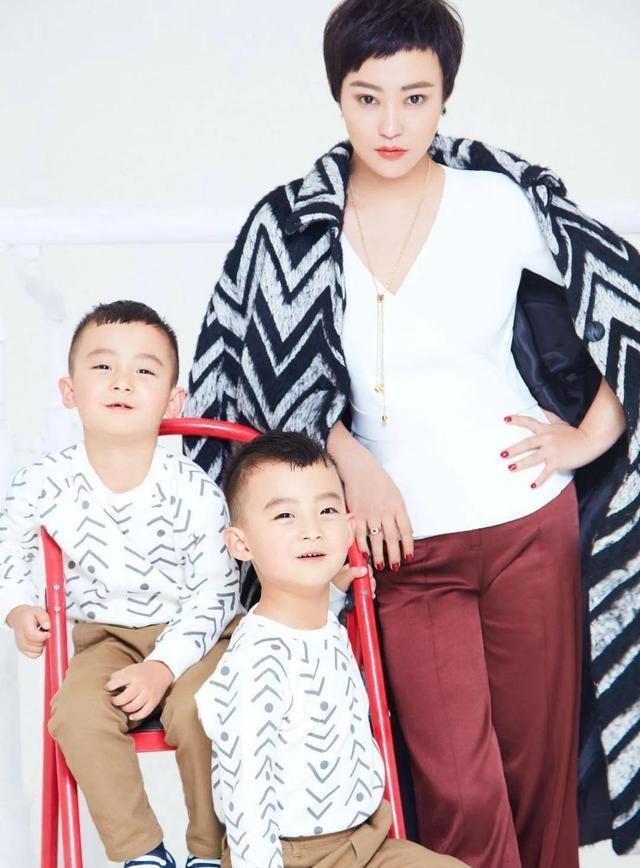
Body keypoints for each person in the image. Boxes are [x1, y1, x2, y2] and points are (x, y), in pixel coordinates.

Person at [185, 1, 640, 865]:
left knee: (539, 786)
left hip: (527, 522)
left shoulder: (499, 202)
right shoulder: (291, 225)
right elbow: (253, 378)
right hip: (401, 547)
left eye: (415, 97)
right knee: (457, 794)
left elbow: (627, 306)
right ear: (338, 96)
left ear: (445, 97)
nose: (391, 125)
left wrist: (589, 438)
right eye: (368, 97)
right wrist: (348, 459)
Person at [0, 300, 242, 868]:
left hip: (193, 634)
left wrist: (163, 666)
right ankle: (143, 853)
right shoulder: (46, 481)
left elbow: (216, 593)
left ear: (173, 402)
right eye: (103, 366)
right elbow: (9, 542)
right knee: (75, 714)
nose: (122, 382)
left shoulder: (193, 490)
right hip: (105, 639)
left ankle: (211, 851)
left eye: (145, 370)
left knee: (203, 708)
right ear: (69, 391)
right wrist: (17, 605)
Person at [195, 430, 468, 868]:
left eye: (326, 510)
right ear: (241, 544)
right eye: (285, 515)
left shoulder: (319, 621)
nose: (311, 530)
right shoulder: (255, 663)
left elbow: (311, 638)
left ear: (348, 524)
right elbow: (247, 799)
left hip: (367, 841)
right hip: (289, 855)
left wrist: (338, 592)